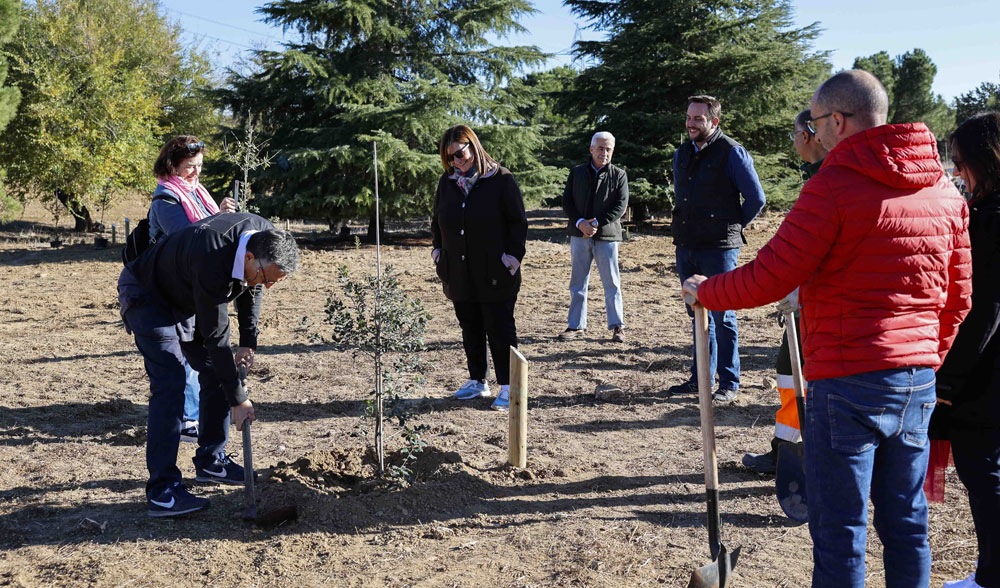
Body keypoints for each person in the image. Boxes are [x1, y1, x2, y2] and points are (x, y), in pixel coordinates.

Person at [682, 70, 972, 588]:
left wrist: (707, 292)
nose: (813, 134)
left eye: (815, 124)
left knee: (841, 534)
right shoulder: (945, 192)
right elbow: (958, 297)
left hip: (847, 382)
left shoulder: (833, 187)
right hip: (916, 382)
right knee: (907, 526)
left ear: (837, 120)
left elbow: (770, 274)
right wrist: (926, 358)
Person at [117, 213, 299, 517]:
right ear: (251, 257)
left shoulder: (264, 237)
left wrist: (248, 340)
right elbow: (215, 336)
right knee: (172, 383)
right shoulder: (212, 254)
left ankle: (211, 461)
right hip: (149, 294)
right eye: (268, 279)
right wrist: (238, 399)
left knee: (217, 370)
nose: (267, 287)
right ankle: (162, 491)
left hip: (187, 292)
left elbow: (250, 289)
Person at [933, 111, 1000, 588]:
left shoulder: (989, 220)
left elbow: (983, 310)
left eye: (960, 161)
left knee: (984, 474)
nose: (957, 172)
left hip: (985, 376)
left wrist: (948, 381)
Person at [743, 109, 828, 474]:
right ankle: (788, 448)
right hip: (808, 300)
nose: (792, 142)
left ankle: (797, 453)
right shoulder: (820, 177)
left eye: (794, 134)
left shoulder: (826, 182)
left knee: (795, 372)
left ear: (809, 134)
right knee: (789, 371)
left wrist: (796, 289)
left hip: (820, 307)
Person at [669, 95, 766, 404]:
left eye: (698, 118)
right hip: (687, 246)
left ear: (714, 121)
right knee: (698, 313)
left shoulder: (732, 152)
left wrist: (732, 227)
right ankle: (700, 379)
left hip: (720, 249)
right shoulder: (682, 153)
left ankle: (729, 383)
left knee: (723, 315)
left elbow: (756, 199)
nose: (691, 123)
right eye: (689, 117)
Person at [431, 125, 528, 411]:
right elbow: (437, 219)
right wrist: (438, 250)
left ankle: (510, 386)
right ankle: (477, 380)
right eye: (450, 158)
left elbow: (518, 222)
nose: (456, 162)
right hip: (458, 270)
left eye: (460, 154)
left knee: (499, 327)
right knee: (469, 325)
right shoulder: (447, 182)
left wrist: (512, 257)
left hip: (495, 271)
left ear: (473, 146)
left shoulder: (500, 179)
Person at [148, 135, 236, 443]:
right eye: (189, 166)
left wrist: (222, 216)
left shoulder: (196, 192)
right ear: (172, 166)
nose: (196, 172)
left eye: (199, 166)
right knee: (183, 352)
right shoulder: (167, 199)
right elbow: (185, 240)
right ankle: (187, 419)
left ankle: (194, 414)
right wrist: (219, 218)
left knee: (199, 350)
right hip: (171, 287)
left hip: (194, 284)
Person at [558, 131, 629, 343]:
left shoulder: (619, 175)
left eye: (608, 149)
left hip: (607, 236)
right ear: (591, 149)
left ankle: (617, 326)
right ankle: (576, 326)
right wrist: (580, 223)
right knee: (578, 282)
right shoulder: (577, 172)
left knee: (612, 283)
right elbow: (567, 202)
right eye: (600, 148)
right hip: (579, 235)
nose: (604, 153)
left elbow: (620, 206)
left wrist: (595, 223)